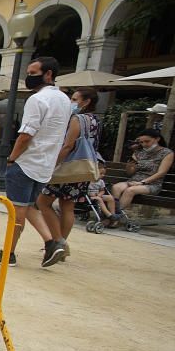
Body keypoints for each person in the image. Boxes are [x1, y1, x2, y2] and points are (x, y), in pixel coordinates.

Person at [0, 57, 70, 268]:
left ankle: (11, 253)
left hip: (27, 162)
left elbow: (26, 134)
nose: (28, 78)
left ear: (48, 74)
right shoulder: (64, 99)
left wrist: (12, 158)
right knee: (29, 207)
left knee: (17, 211)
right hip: (45, 165)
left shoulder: (37, 100)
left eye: (33, 73)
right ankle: (53, 242)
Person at [37, 87, 100, 254]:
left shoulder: (77, 119)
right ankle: (61, 243)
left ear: (86, 102)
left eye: (74, 99)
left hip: (67, 166)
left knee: (43, 202)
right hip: (81, 169)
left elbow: (68, 145)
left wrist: (53, 165)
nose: (71, 103)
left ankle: (57, 241)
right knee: (67, 206)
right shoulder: (94, 120)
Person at [108, 128, 174, 226]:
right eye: (141, 142)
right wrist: (130, 165)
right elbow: (130, 173)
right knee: (116, 187)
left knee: (130, 190)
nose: (144, 144)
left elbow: (161, 173)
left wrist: (142, 182)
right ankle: (112, 215)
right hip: (134, 180)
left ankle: (115, 218)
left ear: (157, 139)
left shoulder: (167, 153)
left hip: (152, 184)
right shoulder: (139, 152)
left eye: (147, 141)